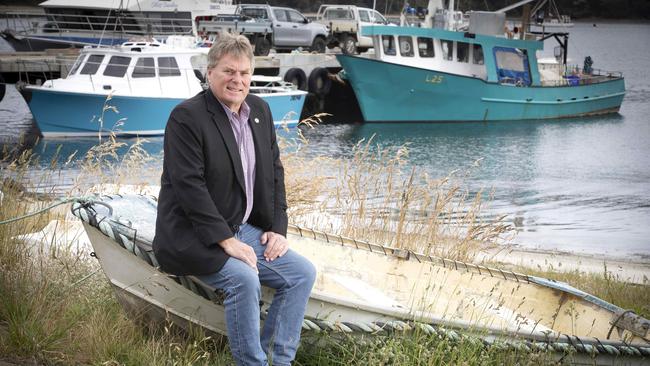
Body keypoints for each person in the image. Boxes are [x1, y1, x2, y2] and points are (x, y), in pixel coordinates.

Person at [153, 33, 317, 366]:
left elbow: (274, 172)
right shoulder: (186, 118)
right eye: (228, 71)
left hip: (241, 229)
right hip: (191, 236)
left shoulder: (259, 109)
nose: (237, 80)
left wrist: (276, 227)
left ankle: (277, 360)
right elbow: (189, 187)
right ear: (210, 72)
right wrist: (227, 241)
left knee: (302, 273)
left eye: (243, 73)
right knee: (244, 279)